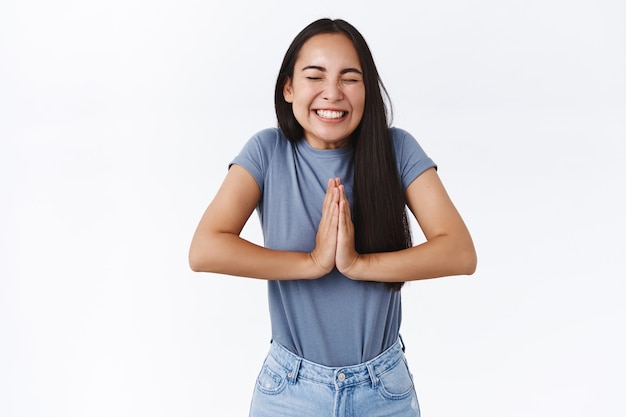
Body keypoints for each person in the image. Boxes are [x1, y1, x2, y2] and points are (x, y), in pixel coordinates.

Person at [189, 17, 476, 417]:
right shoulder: (267, 151)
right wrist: (311, 263)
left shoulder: (397, 149)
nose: (332, 93)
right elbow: (204, 249)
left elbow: (460, 253)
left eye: (349, 78)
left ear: (368, 89)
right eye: (315, 76)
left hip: (383, 389)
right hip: (289, 390)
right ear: (289, 88)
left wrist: (358, 264)